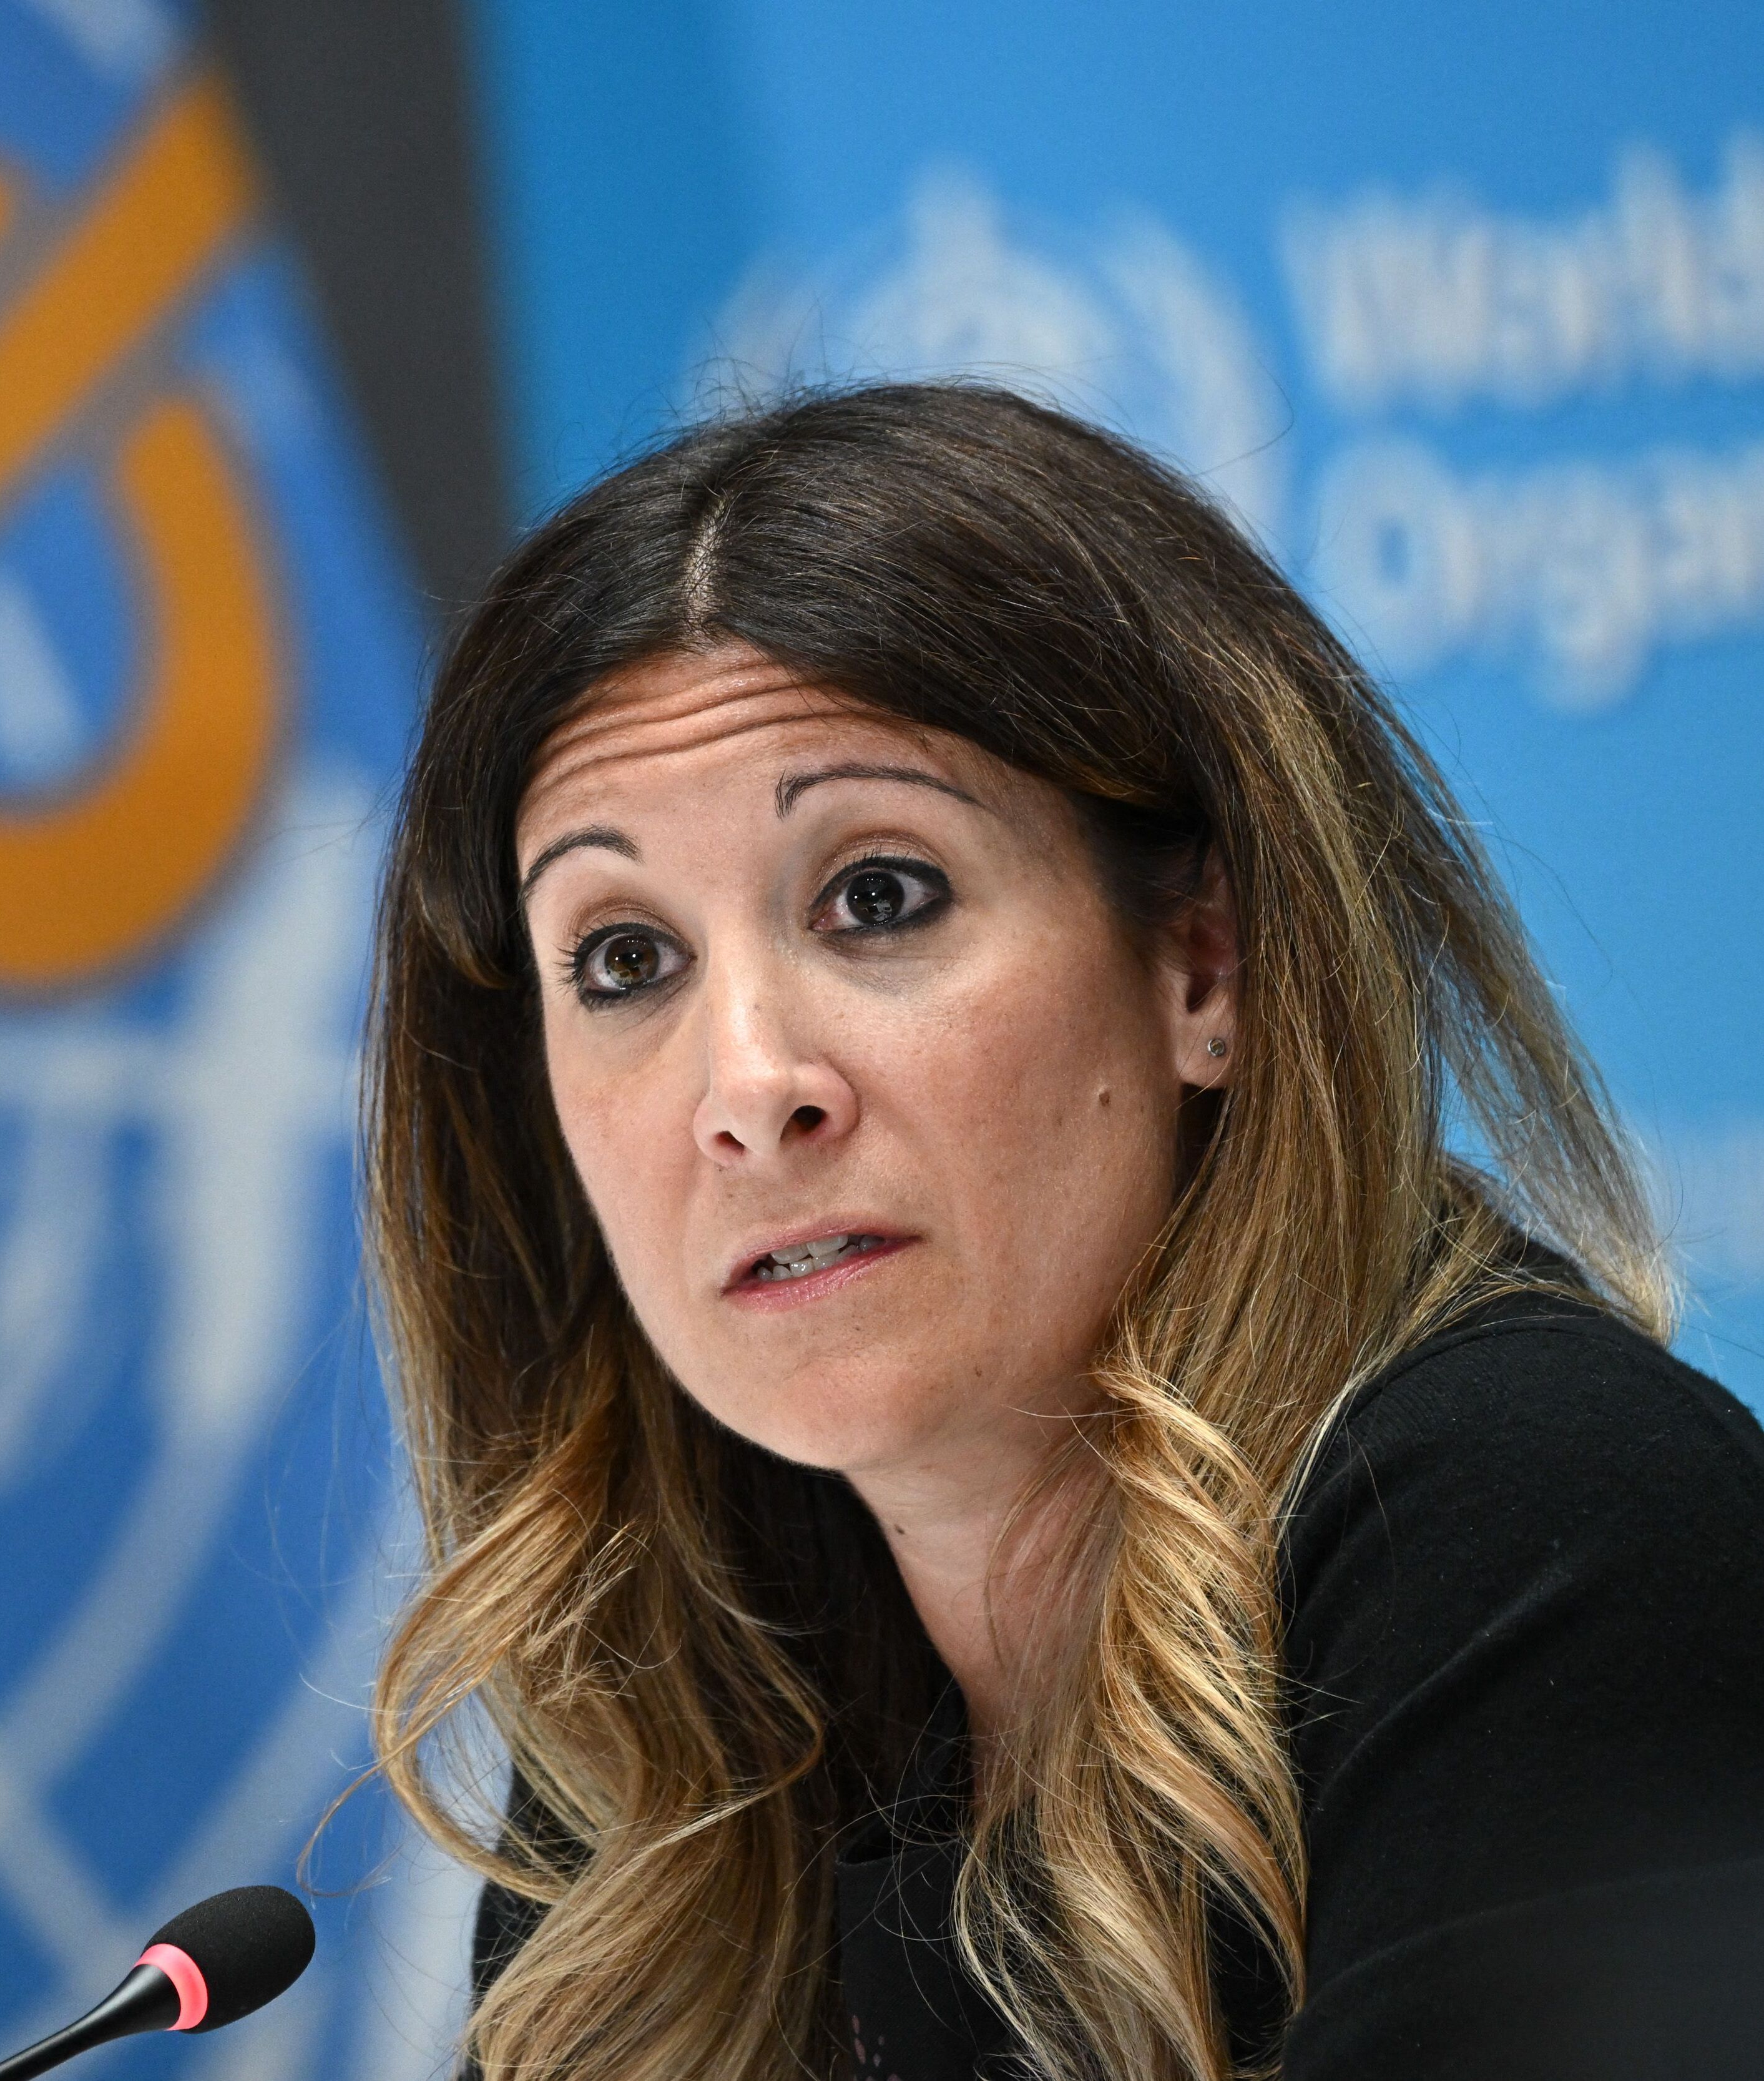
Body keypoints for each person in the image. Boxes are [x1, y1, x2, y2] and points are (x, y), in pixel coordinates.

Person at [361, 383, 1764, 2081]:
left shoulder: (1536, 1529)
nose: (749, 1087)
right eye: (622, 961)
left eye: (876, 895)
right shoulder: (685, 1721)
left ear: (1201, 968)